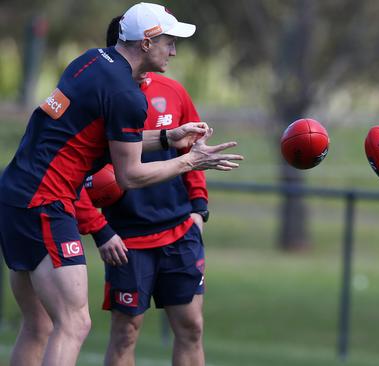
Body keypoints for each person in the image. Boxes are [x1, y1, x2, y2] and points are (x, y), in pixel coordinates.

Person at [0, 3, 244, 366]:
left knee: (39, 324)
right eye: (168, 42)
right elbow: (130, 175)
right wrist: (192, 160)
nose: (173, 51)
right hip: (45, 201)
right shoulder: (126, 95)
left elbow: (106, 140)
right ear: (146, 43)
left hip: (15, 192)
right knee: (74, 322)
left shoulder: (93, 61)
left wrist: (168, 137)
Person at [74, 15, 209, 365]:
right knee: (125, 333)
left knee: (191, 327)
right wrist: (101, 231)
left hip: (180, 232)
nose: (174, 52)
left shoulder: (174, 92)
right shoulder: (105, 97)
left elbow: (194, 152)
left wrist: (199, 209)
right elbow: (71, 178)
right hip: (128, 240)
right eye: (168, 43)